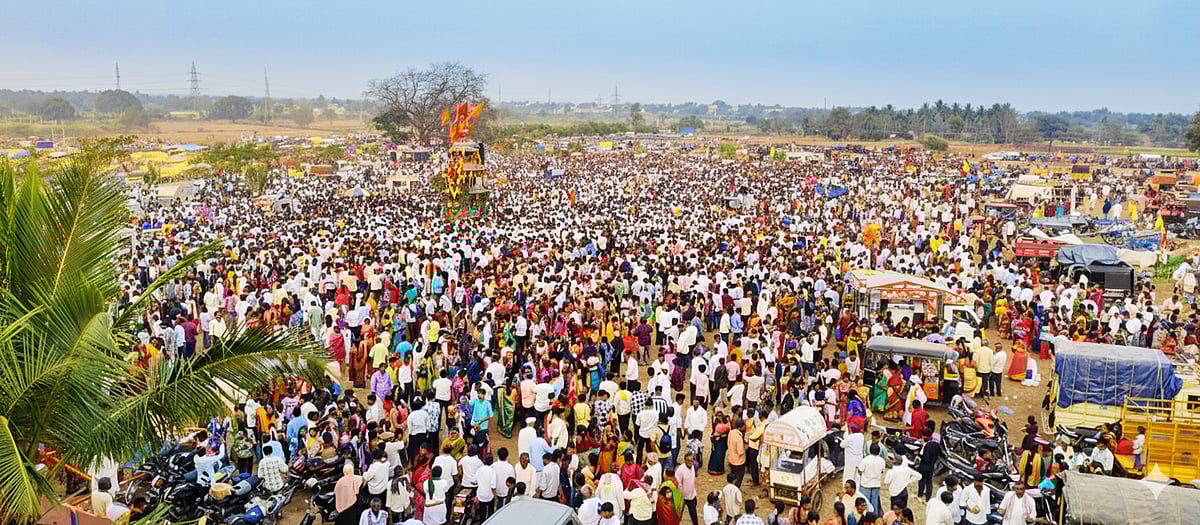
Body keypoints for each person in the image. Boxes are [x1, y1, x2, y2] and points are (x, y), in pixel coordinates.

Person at [857, 444, 885, 513]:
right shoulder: (882, 461)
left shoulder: (866, 460)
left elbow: (860, 470)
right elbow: (882, 471)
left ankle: (865, 517)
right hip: (876, 484)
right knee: (874, 503)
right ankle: (874, 518)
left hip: (865, 484)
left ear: (870, 450)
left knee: (865, 502)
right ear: (879, 451)